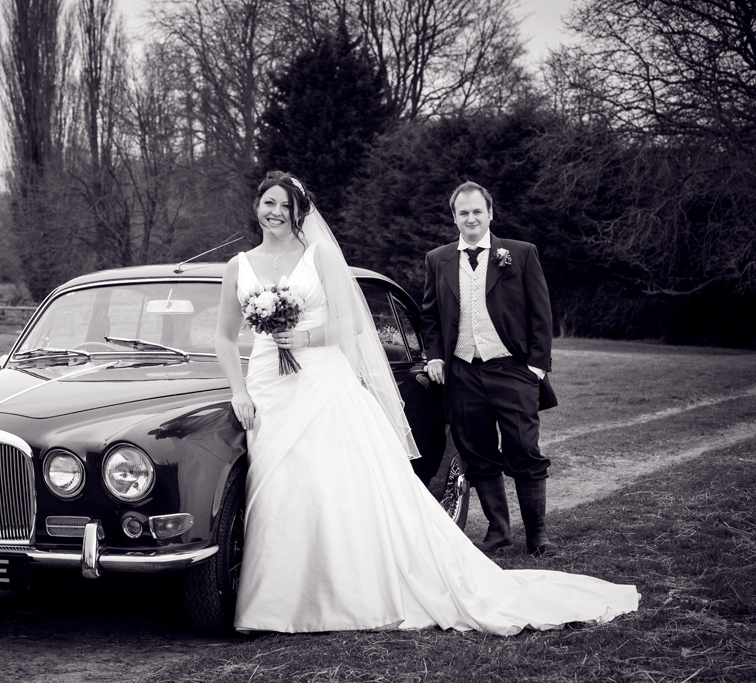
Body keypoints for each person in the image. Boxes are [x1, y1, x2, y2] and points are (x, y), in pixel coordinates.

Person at [215, 170, 638, 635]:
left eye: (285, 206)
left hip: (322, 380)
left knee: (336, 480)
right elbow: (223, 336)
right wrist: (239, 390)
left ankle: (353, 587)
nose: (275, 213)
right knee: (278, 486)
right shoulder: (239, 265)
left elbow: (352, 323)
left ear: (300, 213)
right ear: (257, 206)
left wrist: (304, 335)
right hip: (267, 385)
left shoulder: (319, 256)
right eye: (268, 203)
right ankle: (276, 601)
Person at [422, 181, 558, 556]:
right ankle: (499, 532)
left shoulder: (520, 254)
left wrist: (535, 367)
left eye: (477, 211)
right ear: (454, 218)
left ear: (490, 213)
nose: (470, 218)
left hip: (513, 369)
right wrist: (435, 355)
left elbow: (541, 314)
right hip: (463, 372)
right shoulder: (438, 259)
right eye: (463, 212)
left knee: (525, 449)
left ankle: (537, 535)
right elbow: (430, 316)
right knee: (477, 453)